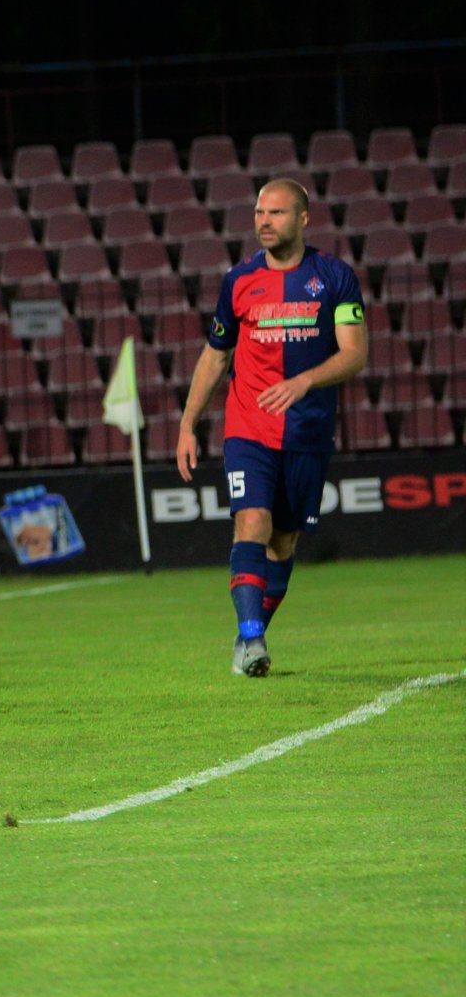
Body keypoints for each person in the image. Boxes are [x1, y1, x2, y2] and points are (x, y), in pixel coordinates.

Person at [176, 176, 368, 677]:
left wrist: (305, 380)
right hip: (249, 423)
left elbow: (355, 354)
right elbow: (216, 356)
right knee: (252, 522)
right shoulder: (238, 280)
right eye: (260, 213)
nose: (264, 221)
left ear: (304, 219)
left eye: (276, 213)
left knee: (282, 544)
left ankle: (248, 637)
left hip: (307, 432)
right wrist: (188, 422)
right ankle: (252, 638)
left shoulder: (335, 278)